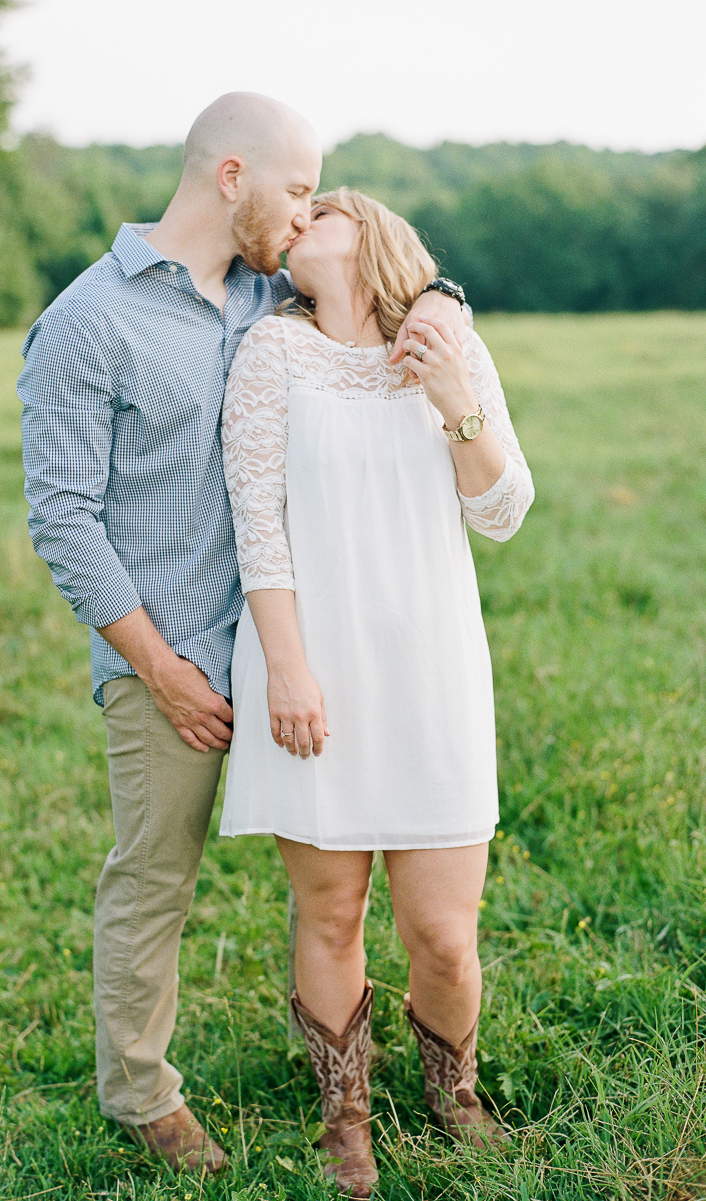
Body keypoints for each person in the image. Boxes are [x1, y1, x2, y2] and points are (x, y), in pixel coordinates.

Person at [19, 95, 464, 1176]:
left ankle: (377, 1086)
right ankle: (139, 1090)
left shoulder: (268, 292)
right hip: (168, 653)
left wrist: (444, 310)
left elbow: (388, 282)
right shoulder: (90, 323)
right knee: (156, 875)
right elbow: (62, 517)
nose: (308, 209)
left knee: (341, 887)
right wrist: (162, 668)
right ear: (232, 177)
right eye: (299, 187)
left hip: (299, 649)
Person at [220, 188, 534, 1195]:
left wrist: (454, 395)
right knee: (332, 910)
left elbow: (504, 509)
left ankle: (455, 1094)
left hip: (431, 665)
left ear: (374, 239)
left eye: (325, 208)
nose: (299, 219)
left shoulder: (446, 344)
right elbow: (257, 523)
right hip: (309, 663)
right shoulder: (272, 351)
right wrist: (289, 668)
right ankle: (345, 1115)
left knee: (444, 932)